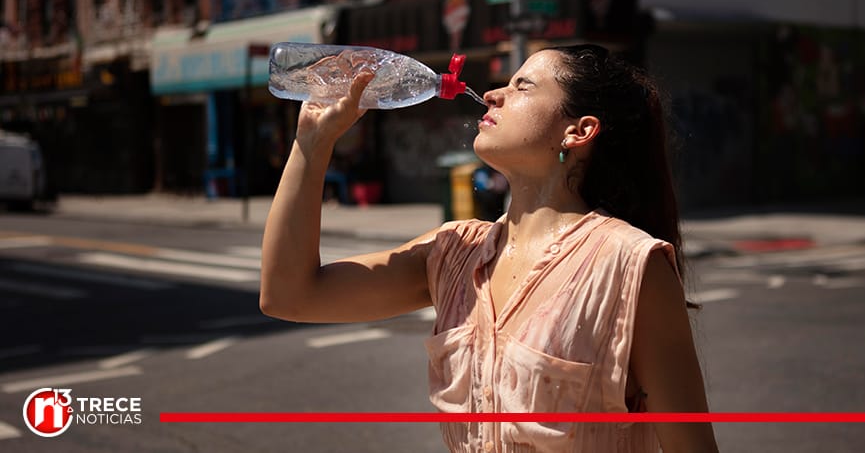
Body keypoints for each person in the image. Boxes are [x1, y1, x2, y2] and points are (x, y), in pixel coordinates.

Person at [260, 44, 719, 452]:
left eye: (523, 86)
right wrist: (312, 142)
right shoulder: (452, 253)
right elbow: (289, 295)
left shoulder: (629, 264)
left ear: (578, 132)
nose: (496, 93)